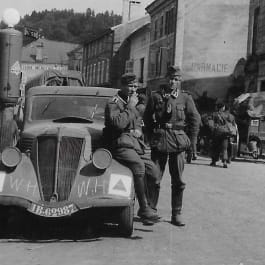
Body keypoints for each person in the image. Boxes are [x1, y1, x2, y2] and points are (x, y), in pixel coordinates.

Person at [144, 66, 201, 226]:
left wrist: (192, 143)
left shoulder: (185, 98)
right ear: (165, 78)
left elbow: (195, 120)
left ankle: (176, 213)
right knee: (154, 177)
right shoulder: (155, 96)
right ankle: (151, 211)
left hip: (178, 142)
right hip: (160, 140)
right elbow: (147, 119)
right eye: (170, 78)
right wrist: (149, 137)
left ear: (179, 81)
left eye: (176, 79)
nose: (172, 82)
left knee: (178, 180)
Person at [104, 73, 160, 223]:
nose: (133, 89)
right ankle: (143, 208)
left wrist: (138, 131)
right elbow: (118, 124)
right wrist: (130, 108)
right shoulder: (114, 102)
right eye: (130, 86)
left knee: (154, 172)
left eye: (135, 86)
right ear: (121, 86)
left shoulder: (132, 102)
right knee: (139, 166)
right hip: (119, 143)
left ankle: (151, 208)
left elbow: (138, 123)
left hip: (134, 144)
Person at [209, 102, 236, 168]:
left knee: (215, 147)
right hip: (225, 133)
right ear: (223, 107)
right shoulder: (229, 115)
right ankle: (224, 162)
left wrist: (213, 129)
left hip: (217, 133)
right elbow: (233, 123)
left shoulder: (213, 114)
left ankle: (214, 161)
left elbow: (210, 124)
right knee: (224, 148)